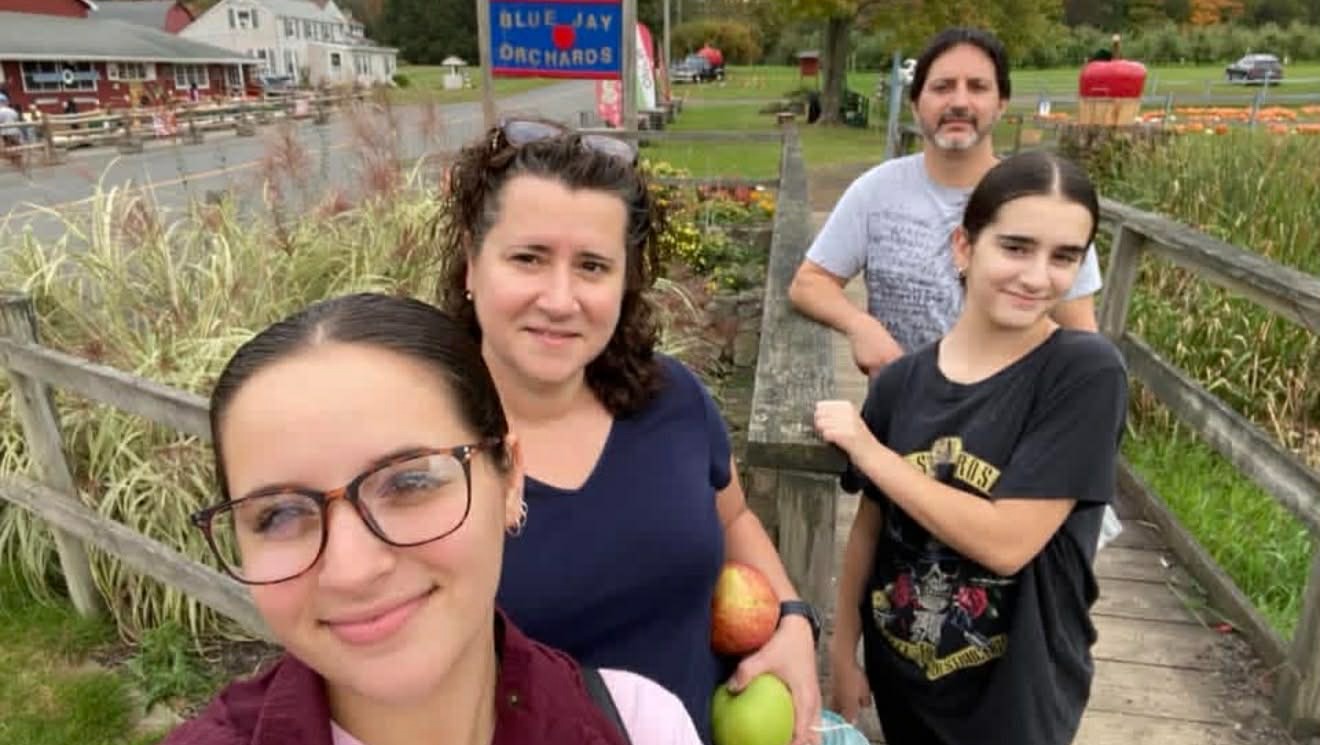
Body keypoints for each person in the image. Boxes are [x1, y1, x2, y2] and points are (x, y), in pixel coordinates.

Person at [165, 293, 702, 745]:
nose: (352, 571)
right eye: (280, 514)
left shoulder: (641, 726)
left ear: (510, 478)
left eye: (409, 483)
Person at [436, 119, 823, 744]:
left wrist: (794, 621)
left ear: (625, 281)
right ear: (472, 262)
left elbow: (734, 520)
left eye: (592, 266)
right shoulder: (420, 453)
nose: (560, 299)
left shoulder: (672, 399)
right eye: (529, 258)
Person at [815, 152, 1128, 745]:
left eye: (1063, 257)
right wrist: (843, 649)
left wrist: (870, 451)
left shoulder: (1084, 374)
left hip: (1016, 701)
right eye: (1016, 247)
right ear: (964, 247)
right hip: (903, 677)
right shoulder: (900, 384)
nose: (1037, 277)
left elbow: (1007, 542)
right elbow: (869, 528)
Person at [788, 27, 1103, 377]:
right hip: (901, 401)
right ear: (915, 104)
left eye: (978, 87)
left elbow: (1081, 338)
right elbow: (809, 283)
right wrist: (859, 325)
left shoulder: (1041, 199)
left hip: (1009, 403)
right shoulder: (876, 191)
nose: (959, 103)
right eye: (942, 87)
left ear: (1001, 104)